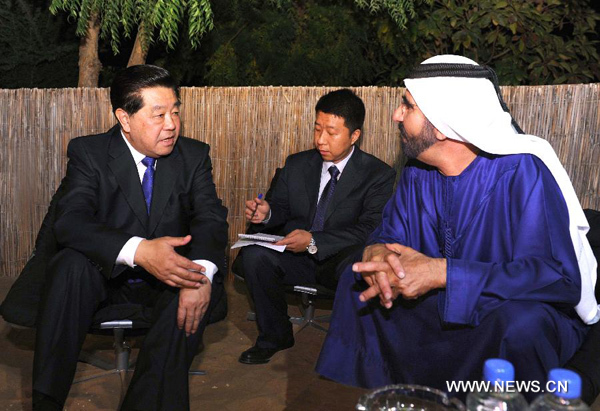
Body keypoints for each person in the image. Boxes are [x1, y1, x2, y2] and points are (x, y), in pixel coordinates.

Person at [316, 55, 599, 400]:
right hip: (443, 304)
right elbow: (392, 234)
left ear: (442, 125)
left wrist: (444, 273)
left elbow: (558, 278)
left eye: (408, 106)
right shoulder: (418, 172)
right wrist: (379, 251)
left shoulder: (523, 172)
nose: (396, 115)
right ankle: (396, 396)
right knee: (357, 277)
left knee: (522, 324)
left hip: (504, 309)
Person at [31, 65, 228, 410]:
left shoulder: (193, 157)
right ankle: (46, 402)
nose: (171, 124)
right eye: (158, 115)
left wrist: (201, 271)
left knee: (191, 289)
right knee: (70, 265)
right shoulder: (89, 153)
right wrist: (138, 251)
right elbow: (70, 222)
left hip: (167, 281)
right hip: (103, 280)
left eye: (175, 112)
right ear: (124, 118)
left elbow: (210, 219)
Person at [236, 89, 396, 365]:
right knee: (254, 256)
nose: (320, 140)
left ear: (354, 135)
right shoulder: (298, 164)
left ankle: (349, 346)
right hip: (295, 256)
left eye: (331, 132)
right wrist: (266, 213)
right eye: (317, 129)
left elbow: (368, 229)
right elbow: (281, 209)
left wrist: (314, 240)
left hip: (339, 259)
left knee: (360, 263)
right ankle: (275, 335)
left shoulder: (377, 175)